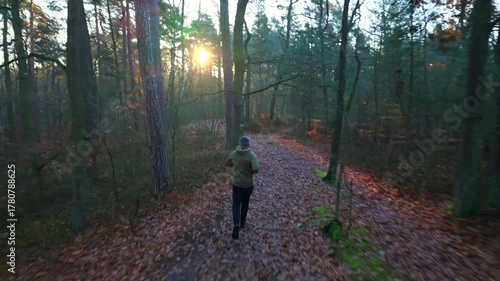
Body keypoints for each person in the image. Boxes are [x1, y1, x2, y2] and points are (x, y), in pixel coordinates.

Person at [225, 136, 259, 240]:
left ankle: (236, 223)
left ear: (240, 143)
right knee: (245, 203)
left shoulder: (234, 154)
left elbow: (227, 164)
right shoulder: (251, 155)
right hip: (247, 184)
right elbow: (256, 169)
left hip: (236, 184)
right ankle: (242, 223)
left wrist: (235, 165)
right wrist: (250, 171)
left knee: (236, 204)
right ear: (248, 144)